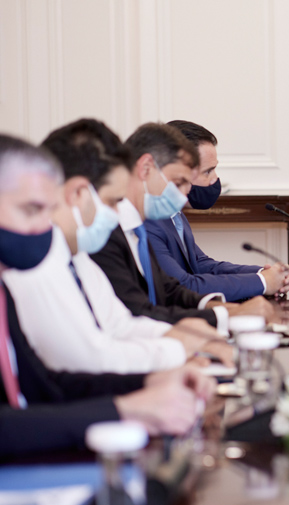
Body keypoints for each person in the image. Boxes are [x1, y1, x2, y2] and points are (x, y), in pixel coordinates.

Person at [0, 133, 214, 457]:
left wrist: (148, 383)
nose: (43, 226)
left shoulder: (6, 285)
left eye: (48, 210)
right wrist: (124, 409)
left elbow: (43, 382)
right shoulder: (28, 274)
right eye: (31, 210)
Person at [2, 119, 232, 374]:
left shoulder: (78, 257)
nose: (118, 214)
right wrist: (178, 348)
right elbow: (88, 360)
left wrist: (185, 336)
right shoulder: (36, 265)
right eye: (113, 201)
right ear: (76, 193)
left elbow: (120, 324)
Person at [89, 122, 273, 334]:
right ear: (146, 168)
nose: (185, 194)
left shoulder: (139, 224)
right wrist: (227, 315)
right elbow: (139, 313)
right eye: (178, 183)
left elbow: (168, 289)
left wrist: (228, 311)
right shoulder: (109, 231)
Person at [144, 120, 289, 302]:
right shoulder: (148, 220)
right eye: (208, 171)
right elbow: (183, 286)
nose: (215, 179)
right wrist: (262, 282)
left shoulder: (174, 212)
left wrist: (263, 273)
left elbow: (200, 264)